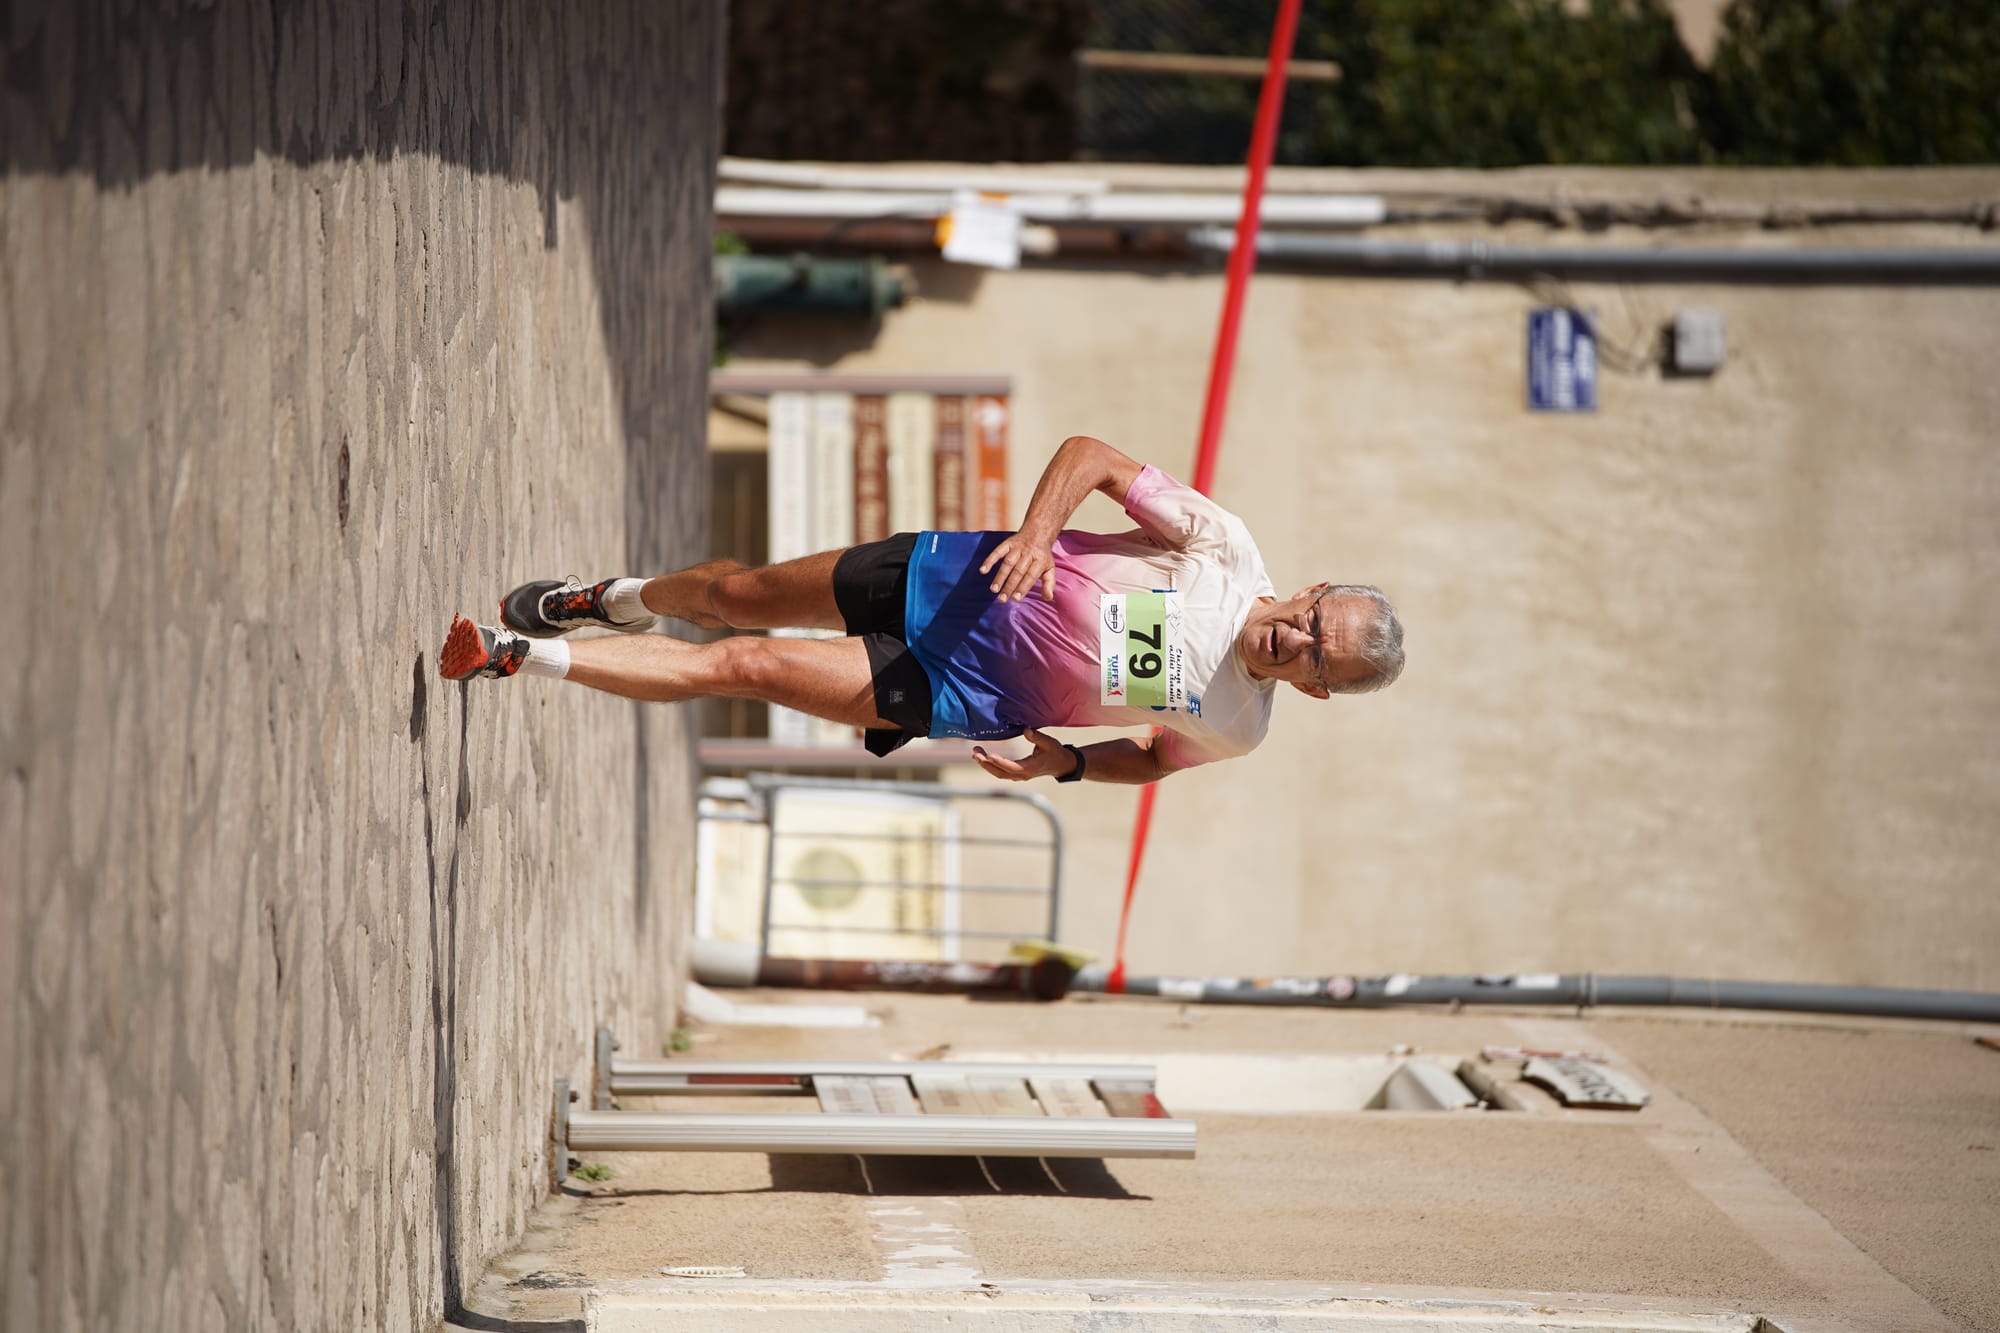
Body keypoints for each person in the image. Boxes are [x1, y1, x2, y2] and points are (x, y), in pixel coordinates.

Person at [438, 435, 1403, 784]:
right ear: (1313, 592)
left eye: (1323, 661)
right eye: (1320, 624)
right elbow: (1093, 457)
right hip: (948, 576)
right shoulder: (1224, 546)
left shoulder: (1238, 727)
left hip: (961, 685)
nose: (1303, 644)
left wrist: (1066, 762)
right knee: (732, 599)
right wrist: (1035, 534)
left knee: (748, 666)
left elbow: (1152, 760)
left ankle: (518, 656)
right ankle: (617, 601)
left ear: (1316, 691)